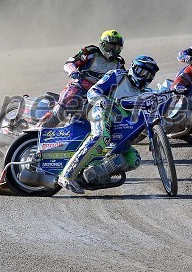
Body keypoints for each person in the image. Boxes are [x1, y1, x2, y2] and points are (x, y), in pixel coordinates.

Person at [58, 55, 160, 194]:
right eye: (142, 72)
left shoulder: (145, 92)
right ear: (133, 68)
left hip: (118, 126)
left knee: (133, 159)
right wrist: (102, 100)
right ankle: (67, 175)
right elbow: (93, 92)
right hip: (100, 110)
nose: (144, 77)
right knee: (101, 136)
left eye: (149, 75)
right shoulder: (117, 75)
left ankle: (92, 174)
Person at [39, 30, 126, 127]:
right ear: (102, 44)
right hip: (80, 87)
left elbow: (123, 80)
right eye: (110, 46)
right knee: (65, 106)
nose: (113, 51)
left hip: (100, 94)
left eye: (117, 48)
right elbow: (69, 63)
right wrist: (73, 72)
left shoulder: (119, 63)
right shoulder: (91, 53)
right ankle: (40, 128)